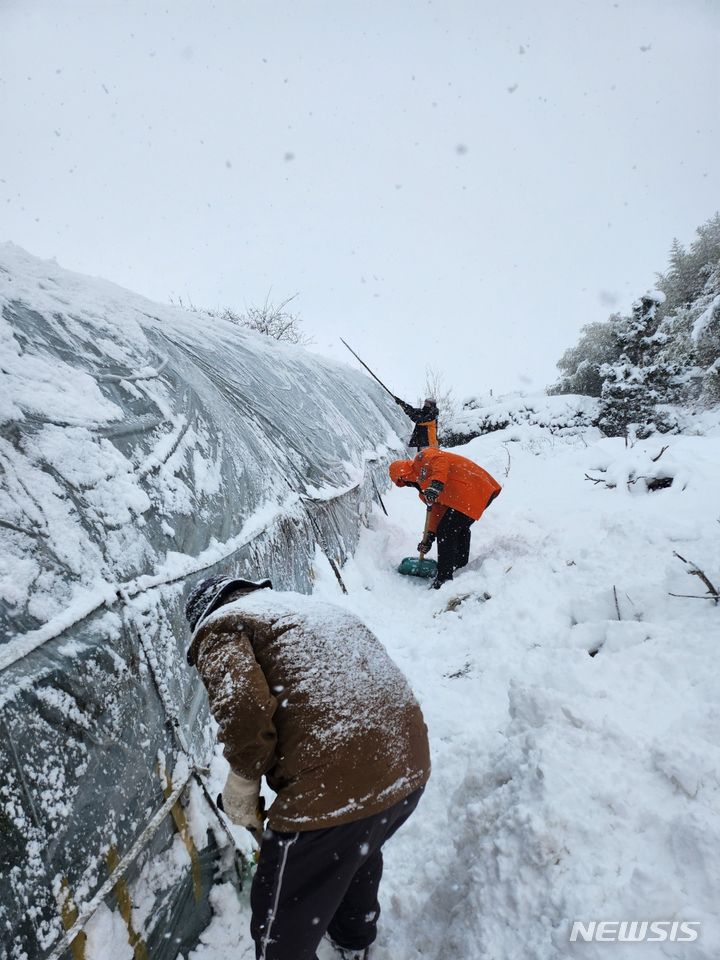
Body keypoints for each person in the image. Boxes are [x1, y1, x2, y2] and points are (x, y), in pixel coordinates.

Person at [185, 575, 430, 960]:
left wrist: (243, 782)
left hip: (333, 787)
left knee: (281, 919)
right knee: (354, 849)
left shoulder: (221, 626)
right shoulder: (312, 610)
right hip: (407, 765)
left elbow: (244, 709)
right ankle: (353, 939)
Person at [389, 448, 501, 589]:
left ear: (403, 474)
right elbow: (437, 512)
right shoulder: (424, 491)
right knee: (456, 528)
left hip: (475, 486)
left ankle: (444, 578)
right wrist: (429, 537)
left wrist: (436, 485)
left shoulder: (422, 458)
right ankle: (459, 564)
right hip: (471, 495)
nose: (407, 484)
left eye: (403, 481)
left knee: (447, 531)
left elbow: (441, 461)